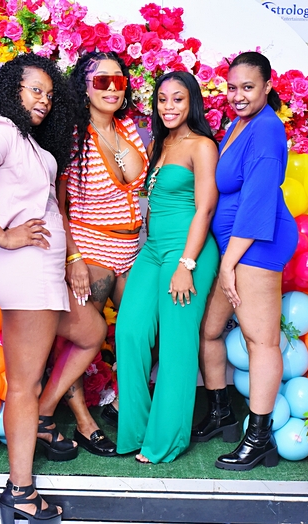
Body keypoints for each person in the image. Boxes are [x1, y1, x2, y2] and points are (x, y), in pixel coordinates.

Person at [0, 54, 106, 524]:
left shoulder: (28, 141)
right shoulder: (3, 131)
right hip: (25, 270)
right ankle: (21, 492)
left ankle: (45, 417)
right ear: (12, 90)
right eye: (34, 90)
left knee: (90, 331)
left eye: (49, 94)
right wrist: (2, 235)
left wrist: (68, 259)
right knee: (24, 386)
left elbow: (43, 204)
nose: (44, 101)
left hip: (44, 272)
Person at [194, 51, 298, 471]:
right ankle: (222, 414)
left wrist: (228, 264)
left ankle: (259, 439)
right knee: (210, 329)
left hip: (257, 243)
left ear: (267, 87)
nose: (238, 95)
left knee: (261, 340)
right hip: (235, 248)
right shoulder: (240, 123)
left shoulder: (268, 129)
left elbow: (257, 204)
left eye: (248, 88)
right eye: (232, 87)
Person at [115, 71, 220, 464]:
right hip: (154, 248)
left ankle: (166, 440)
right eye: (162, 99)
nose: (169, 106)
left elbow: (205, 208)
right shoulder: (159, 143)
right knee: (129, 331)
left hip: (187, 251)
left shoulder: (202, 146)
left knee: (177, 343)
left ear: (192, 102)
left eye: (177, 98)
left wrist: (186, 265)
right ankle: (137, 431)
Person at [55, 51, 149, 454]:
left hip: (131, 249)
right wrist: (73, 258)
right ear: (84, 86)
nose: (112, 88)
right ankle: (82, 421)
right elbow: (58, 207)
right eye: (101, 80)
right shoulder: (72, 136)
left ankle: (123, 406)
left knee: (142, 330)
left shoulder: (128, 127)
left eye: (119, 80)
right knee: (82, 341)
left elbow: (139, 183)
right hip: (90, 247)